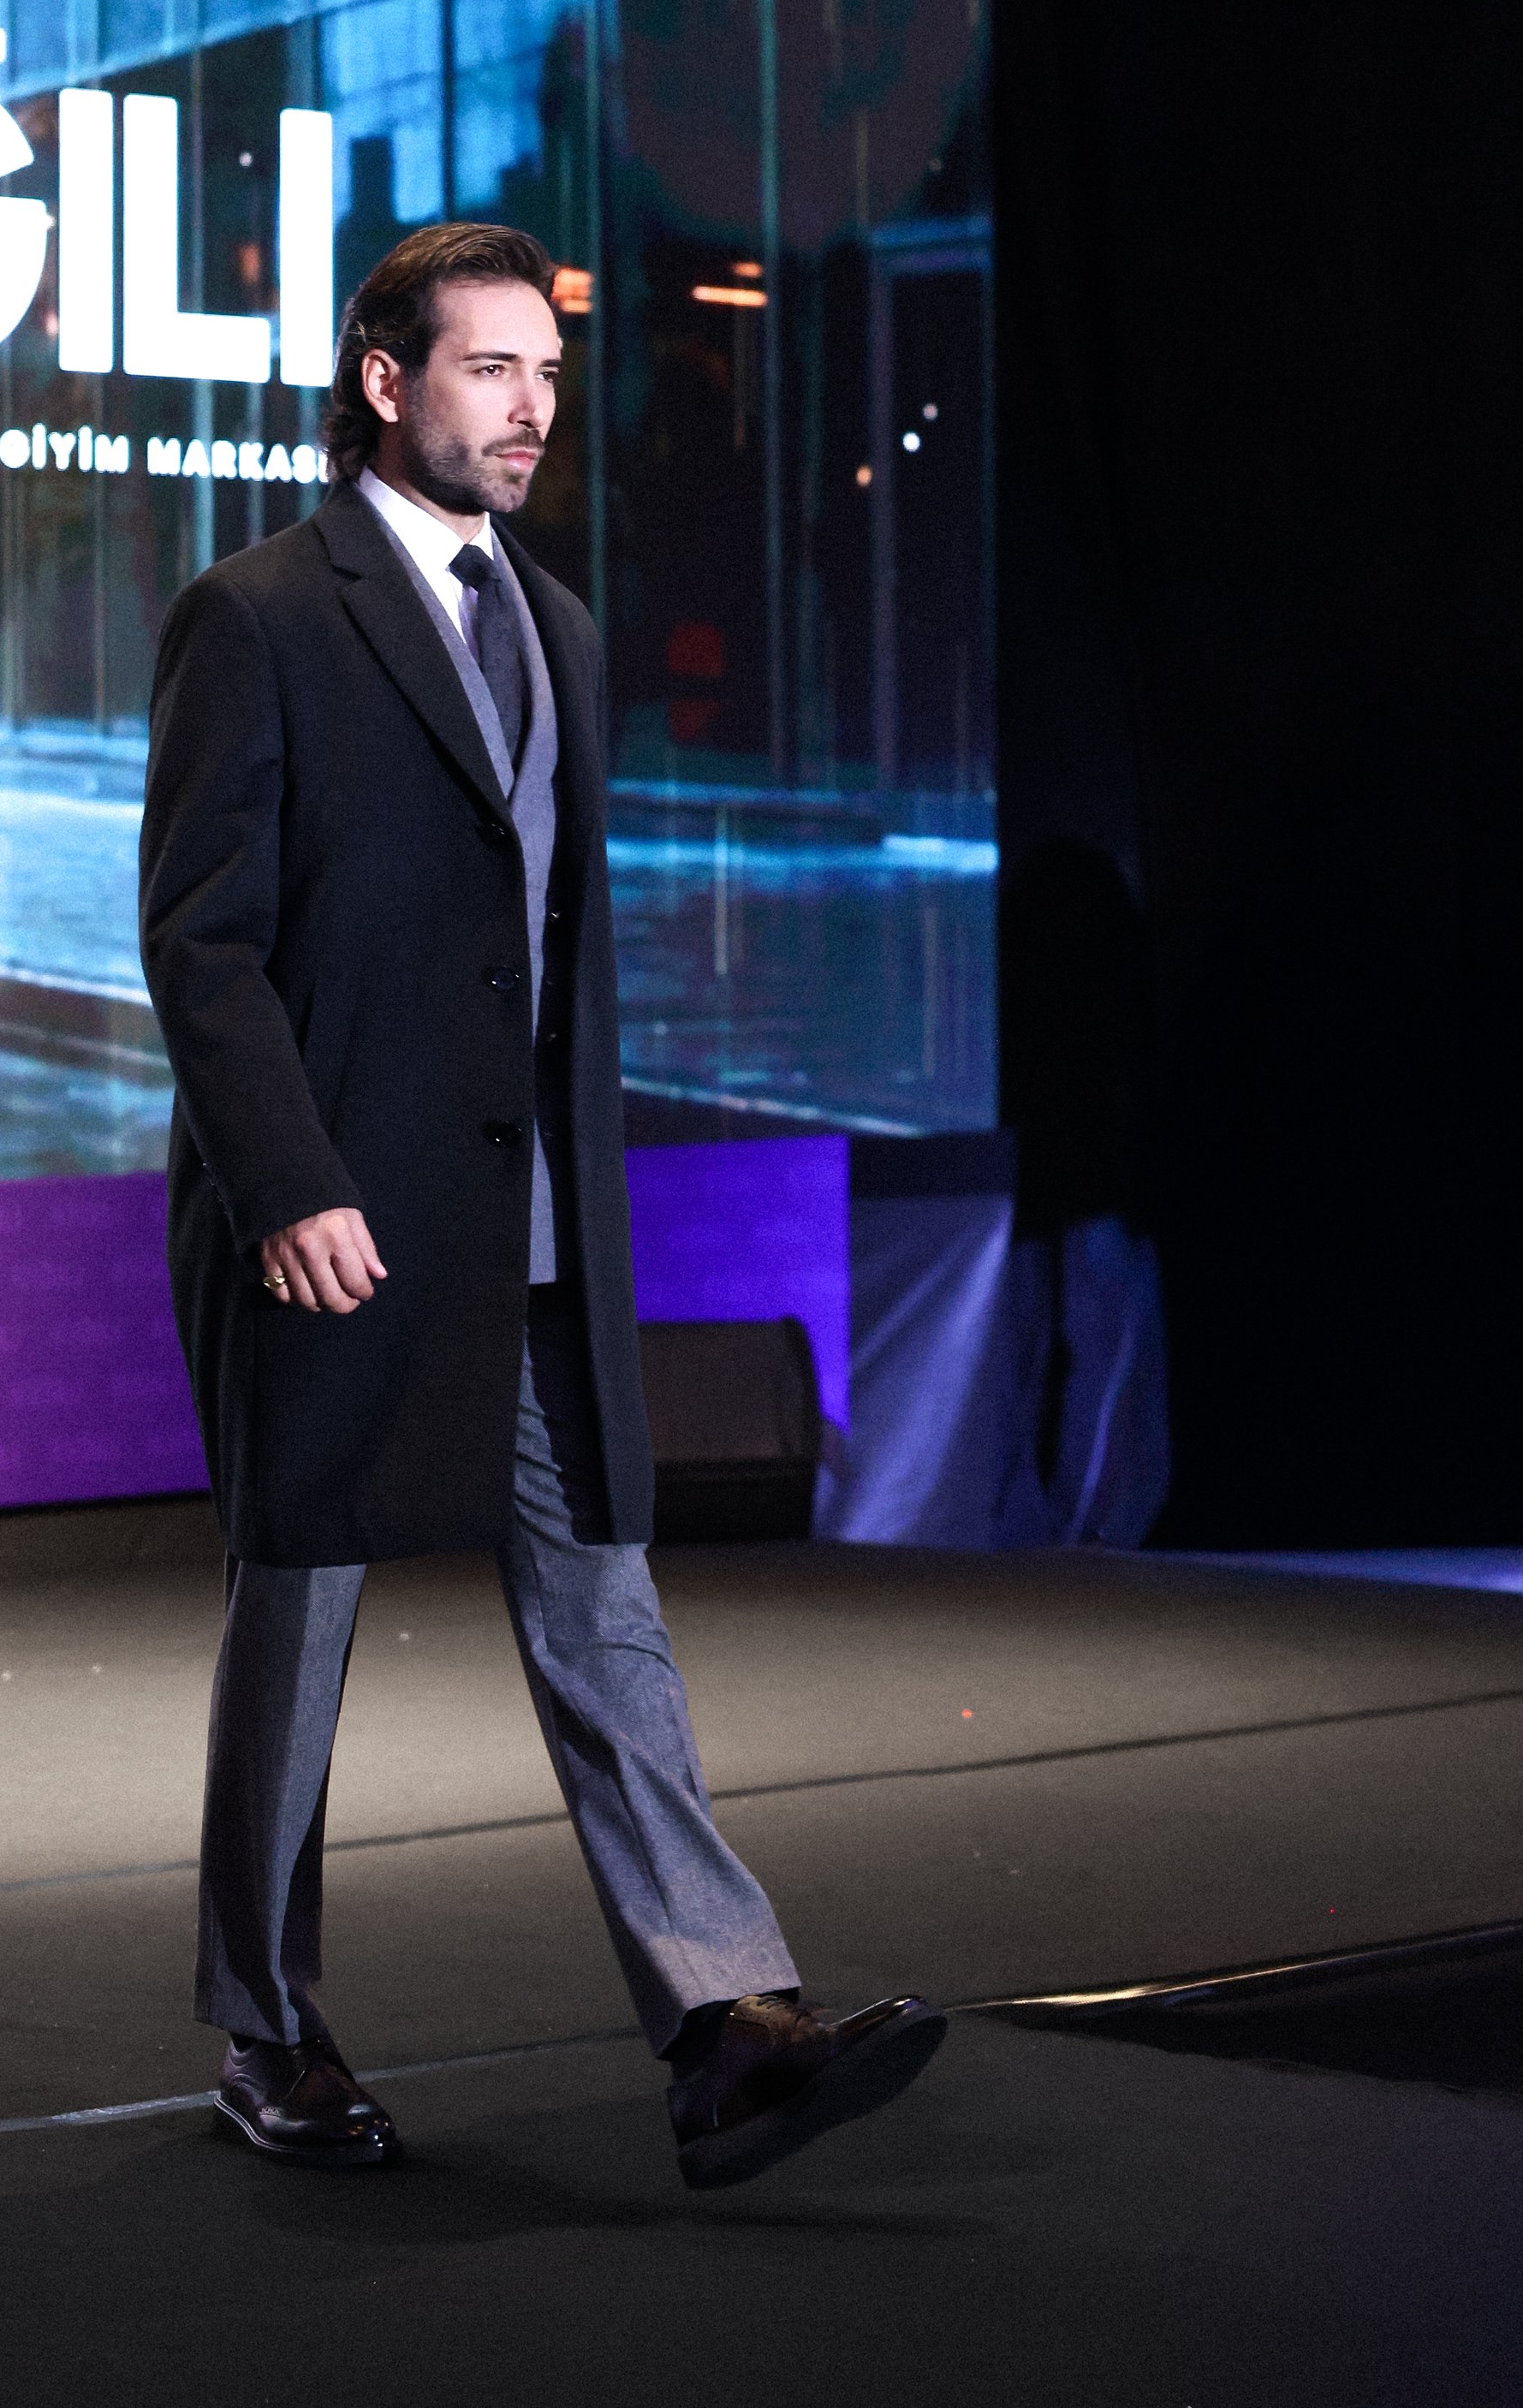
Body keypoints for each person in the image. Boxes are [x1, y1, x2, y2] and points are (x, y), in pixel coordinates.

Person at [139, 221, 944, 2188]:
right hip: (331, 1221)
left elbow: (545, 948)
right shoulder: (256, 614)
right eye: (487, 370)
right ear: (381, 381)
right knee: (301, 1613)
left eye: (545, 375)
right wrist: (287, 1184)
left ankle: (720, 2020)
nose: (527, 409)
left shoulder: (557, 625)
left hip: (533, 1228)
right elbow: (200, 943)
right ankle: (264, 2026)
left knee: (603, 1598)